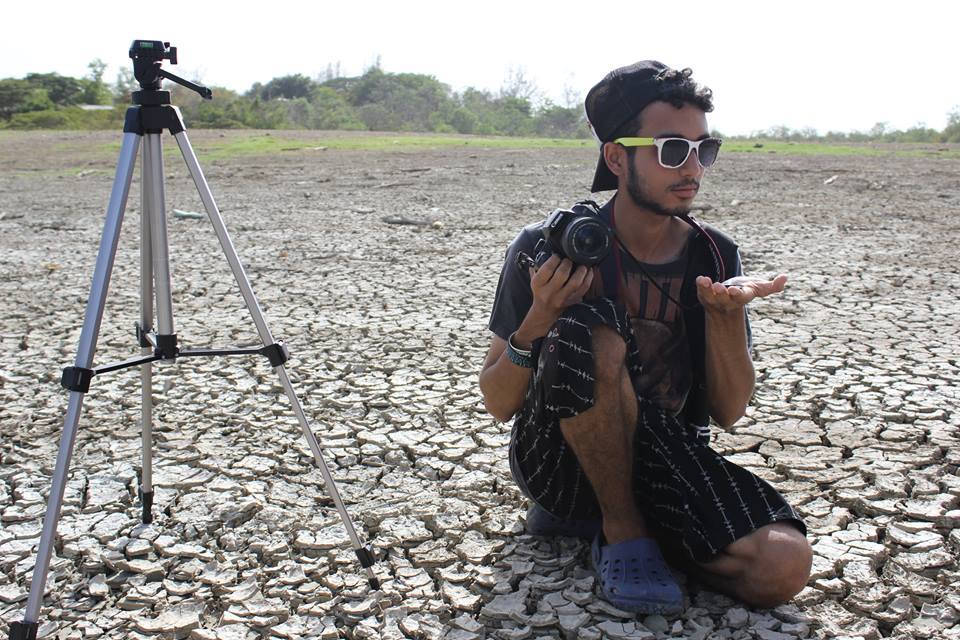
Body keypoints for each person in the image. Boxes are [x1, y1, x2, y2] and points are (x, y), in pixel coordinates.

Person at [479, 61, 812, 614]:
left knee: (781, 565)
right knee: (593, 330)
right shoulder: (550, 246)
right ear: (616, 156)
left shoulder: (712, 254)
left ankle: (620, 524)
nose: (692, 169)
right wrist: (539, 317)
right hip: (558, 459)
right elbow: (496, 401)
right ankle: (623, 529)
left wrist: (724, 319)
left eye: (702, 150)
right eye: (670, 149)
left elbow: (728, 413)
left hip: (666, 454)